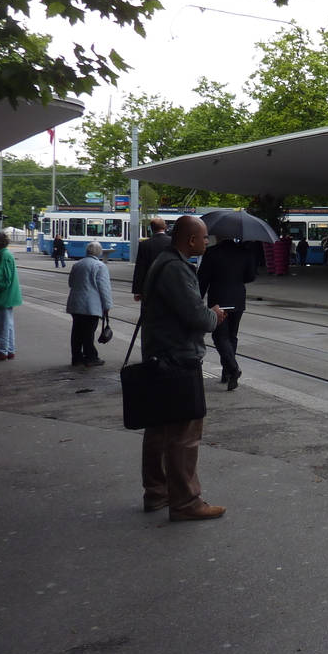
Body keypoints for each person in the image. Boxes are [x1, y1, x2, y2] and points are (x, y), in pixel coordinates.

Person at [139, 215, 227, 521]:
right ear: (191, 240)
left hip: (160, 355)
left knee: (159, 429)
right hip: (178, 358)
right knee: (184, 433)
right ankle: (186, 502)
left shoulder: (163, 262)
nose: (206, 242)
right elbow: (196, 316)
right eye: (204, 238)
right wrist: (213, 315)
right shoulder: (177, 267)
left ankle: (157, 493)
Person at [198, 236, 256, 390]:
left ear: (219, 236)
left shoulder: (212, 252)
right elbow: (251, 276)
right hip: (238, 298)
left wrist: (198, 298)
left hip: (219, 298)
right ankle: (227, 373)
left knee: (219, 336)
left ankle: (232, 368)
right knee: (231, 336)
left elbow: (203, 278)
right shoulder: (245, 252)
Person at [66, 241, 113, 367]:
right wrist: (107, 305)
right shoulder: (100, 266)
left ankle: (76, 357)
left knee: (77, 331)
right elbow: (104, 287)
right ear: (99, 252)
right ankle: (91, 357)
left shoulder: (77, 264)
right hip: (91, 304)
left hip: (75, 303)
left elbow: (71, 283)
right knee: (88, 331)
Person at [0, 232, 23, 361]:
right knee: (7, 324)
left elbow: (2, 280)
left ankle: (3, 351)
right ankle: (9, 350)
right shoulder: (6, 254)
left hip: (2, 297)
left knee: (1, 325)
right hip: (9, 296)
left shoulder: (2, 255)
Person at [132, 217, 171, 301]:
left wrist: (137, 291)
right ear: (164, 227)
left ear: (152, 228)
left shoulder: (145, 245)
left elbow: (140, 268)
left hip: (149, 287)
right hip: (169, 286)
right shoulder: (172, 242)